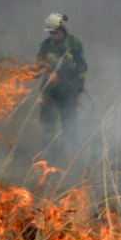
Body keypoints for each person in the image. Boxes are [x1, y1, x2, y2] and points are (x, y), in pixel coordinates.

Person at [36, 13, 88, 152]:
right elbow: (40, 66)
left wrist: (80, 84)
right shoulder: (46, 46)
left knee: (69, 122)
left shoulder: (73, 44)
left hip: (68, 90)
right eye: (50, 32)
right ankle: (50, 153)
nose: (53, 35)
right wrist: (32, 73)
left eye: (55, 32)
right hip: (50, 91)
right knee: (48, 123)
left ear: (61, 29)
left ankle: (69, 154)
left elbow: (82, 66)